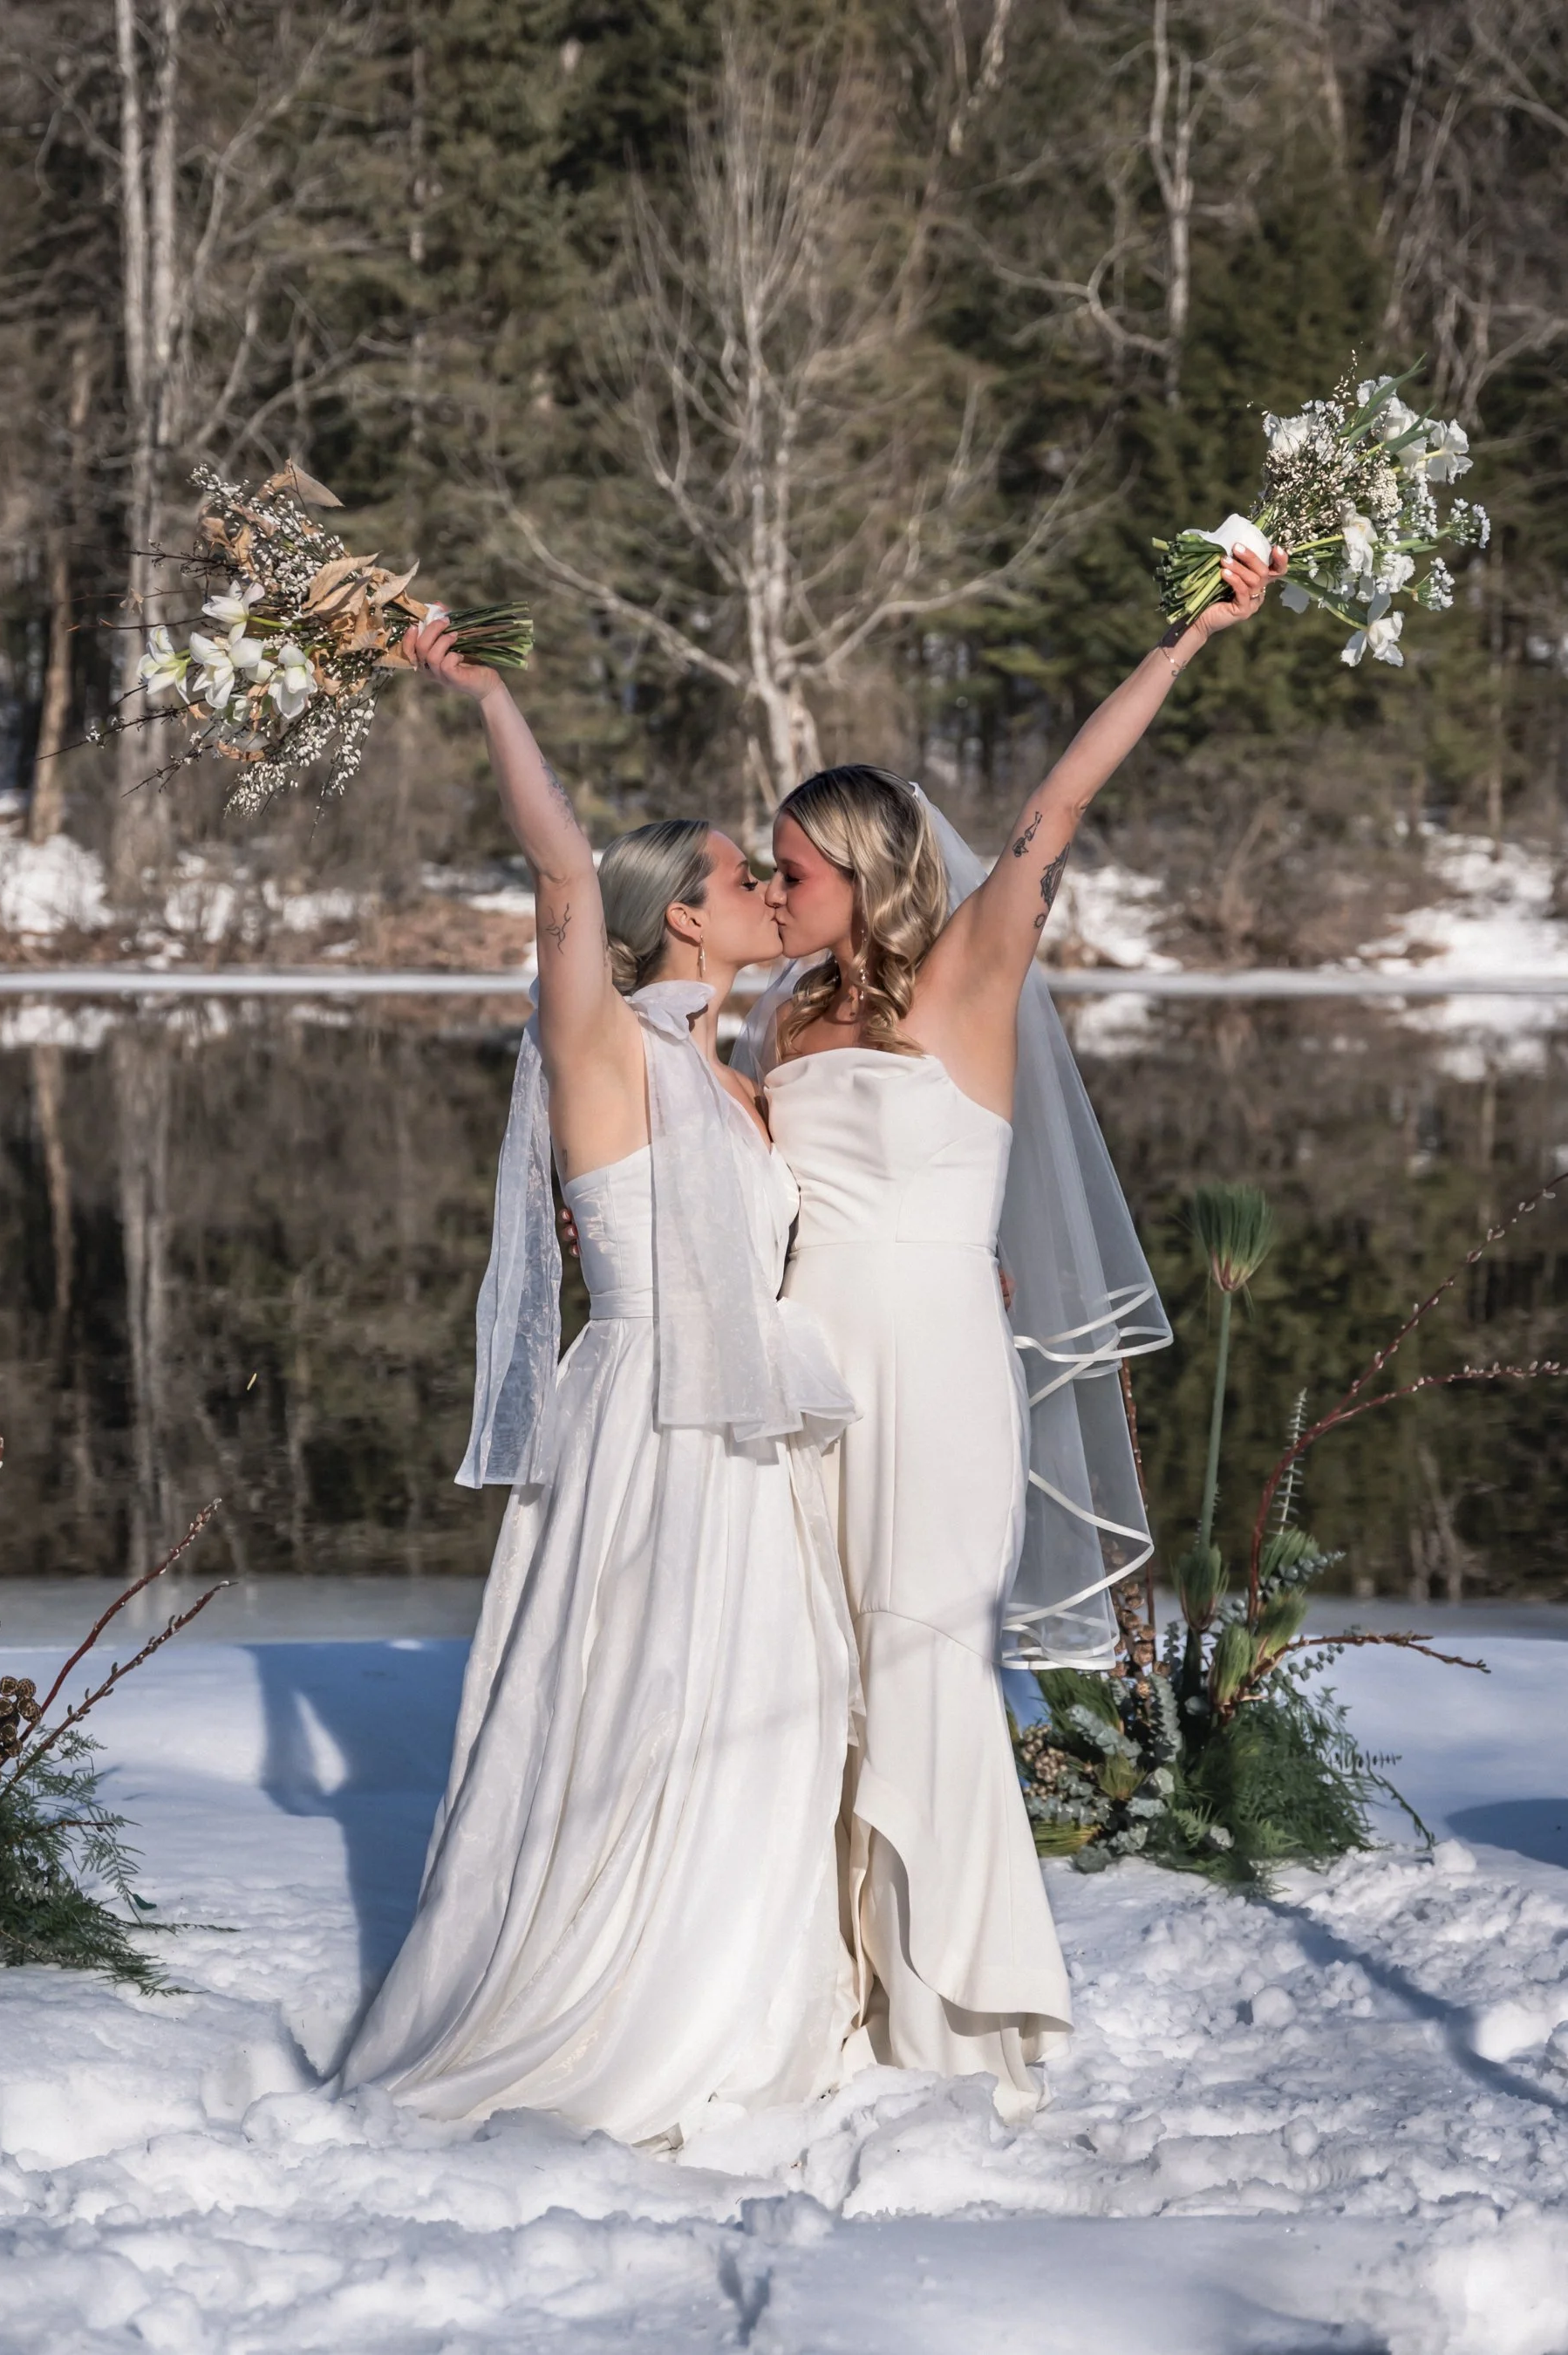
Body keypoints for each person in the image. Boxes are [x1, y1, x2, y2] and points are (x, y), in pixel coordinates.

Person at [747, 543, 1287, 2121]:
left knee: (922, 1660)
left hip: (934, 1371)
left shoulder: (972, 976)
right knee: (818, 1673)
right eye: (772, 872)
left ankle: (966, 2004)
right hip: (804, 1370)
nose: (778, 894)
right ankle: (830, 1986)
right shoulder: (781, 1014)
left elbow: (1054, 807)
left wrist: (1187, 639)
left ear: (869, 869)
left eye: (797, 871)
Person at [341, 617, 859, 2147]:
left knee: (770, 1706)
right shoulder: (606, 1048)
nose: (769, 891)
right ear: (677, 922)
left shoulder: (740, 1075)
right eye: (739, 876)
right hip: (646, 1423)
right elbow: (565, 879)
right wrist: (492, 693)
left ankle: (740, 1995)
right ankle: (603, 2005)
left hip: (748, 1439)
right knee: (634, 1707)